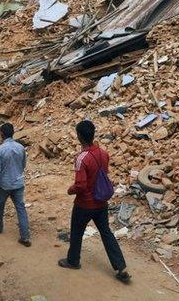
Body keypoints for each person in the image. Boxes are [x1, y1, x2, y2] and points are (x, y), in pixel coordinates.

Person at [58, 120, 131, 283]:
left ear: (79, 137)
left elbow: (81, 185)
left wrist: (71, 190)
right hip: (101, 202)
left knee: (76, 232)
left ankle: (73, 261)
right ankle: (120, 267)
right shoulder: (103, 153)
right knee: (106, 233)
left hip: (84, 204)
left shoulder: (81, 158)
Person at [0, 122, 31, 247]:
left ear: (1, 134)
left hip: (4, 184)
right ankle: (25, 236)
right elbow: (23, 164)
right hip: (18, 183)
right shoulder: (20, 147)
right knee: (21, 208)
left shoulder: (0, 150)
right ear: (13, 133)